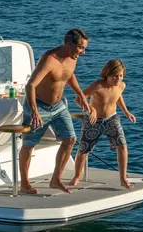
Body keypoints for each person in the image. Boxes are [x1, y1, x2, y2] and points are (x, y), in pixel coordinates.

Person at [19, 28, 95, 194]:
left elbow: (68, 74)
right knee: (29, 145)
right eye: (80, 48)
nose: (83, 52)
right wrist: (34, 111)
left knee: (70, 139)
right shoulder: (49, 59)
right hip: (38, 106)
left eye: (84, 48)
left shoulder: (72, 57)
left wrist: (80, 95)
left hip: (59, 106)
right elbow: (30, 85)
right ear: (69, 44)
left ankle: (56, 180)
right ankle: (24, 184)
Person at [69, 59, 136, 189]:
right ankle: (77, 176)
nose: (118, 79)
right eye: (115, 76)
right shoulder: (98, 85)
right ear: (107, 74)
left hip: (112, 118)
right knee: (84, 149)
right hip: (94, 121)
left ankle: (123, 178)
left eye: (120, 75)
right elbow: (78, 99)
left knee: (122, 146)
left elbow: (118, 97)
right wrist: (90, 109)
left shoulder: (121, 85)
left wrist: (126, 112)